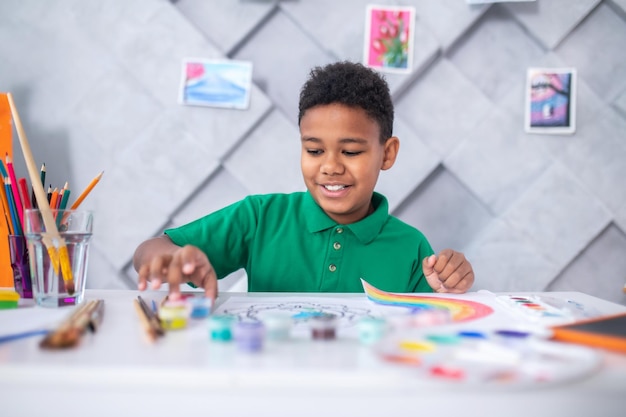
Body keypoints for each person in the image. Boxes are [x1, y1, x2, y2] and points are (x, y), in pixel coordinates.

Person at [133, 61, 474, 301]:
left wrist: (449, 283)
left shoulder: (411, 247)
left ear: (387, 154)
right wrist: (169, 260)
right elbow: (150, 249)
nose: (329, 167)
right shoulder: (261, 216)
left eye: (351, 152)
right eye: (314, 150)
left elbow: (436, 332)